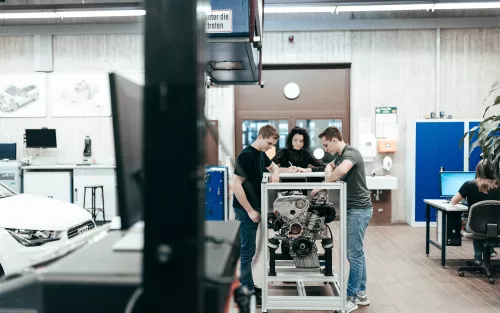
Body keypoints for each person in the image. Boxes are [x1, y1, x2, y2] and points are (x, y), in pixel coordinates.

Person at [312, 126, 372, 313]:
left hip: (358, 210)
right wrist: (330, 167)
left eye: (326, 144)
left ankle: (351, 297)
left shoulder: (351, 154)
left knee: (353, 255)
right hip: (354, 209)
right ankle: (361, 293)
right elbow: (331, 166)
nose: (325, 148)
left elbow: (341, 170)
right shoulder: (340, 155)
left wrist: (323, 185)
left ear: (335, 139)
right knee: (357, 253)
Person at [232, 124, 280, 305]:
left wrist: (275, 172)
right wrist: (250, 210)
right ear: (260, 136)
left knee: (249, 250)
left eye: (272, 145)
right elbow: (236, 185)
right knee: (247, 251)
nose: (269, 147)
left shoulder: (261, 154)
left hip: (254, 208)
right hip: (245, 210)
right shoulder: (247, 155)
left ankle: (248, 284)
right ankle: (247, 290)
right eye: (268, 143)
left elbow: (274, 166)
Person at [451, 159, 500, 263]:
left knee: (478, 224)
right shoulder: (498, 185)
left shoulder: (469, 185)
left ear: (477, 171)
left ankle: (478, 258)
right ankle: (487, 254)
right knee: (485, 225)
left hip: (475, 226)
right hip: (497, 226)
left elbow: (453, 202)